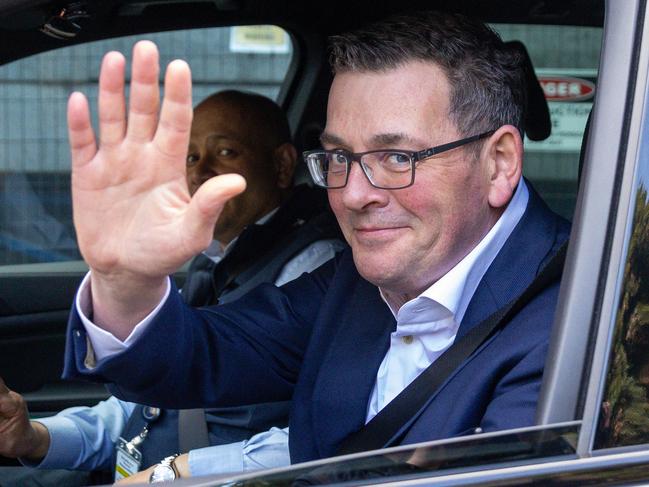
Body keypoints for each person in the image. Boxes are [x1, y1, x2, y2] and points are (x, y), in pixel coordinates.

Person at [59, 10, 570, 481]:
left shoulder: (582, 319)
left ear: (499, 162)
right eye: (338, 157)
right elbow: (197, 356)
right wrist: (126, 279)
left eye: (396, 158)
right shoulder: (356, 281)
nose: (350, 195)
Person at [0, 90, 343, 484]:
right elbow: (139, 410)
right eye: (191, 157)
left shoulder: (313, 269)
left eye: (226, 152)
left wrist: (170, 474)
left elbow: (317, 440)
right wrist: (36, 438)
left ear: (282, 165)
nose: (200, 172)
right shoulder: (211, 261)